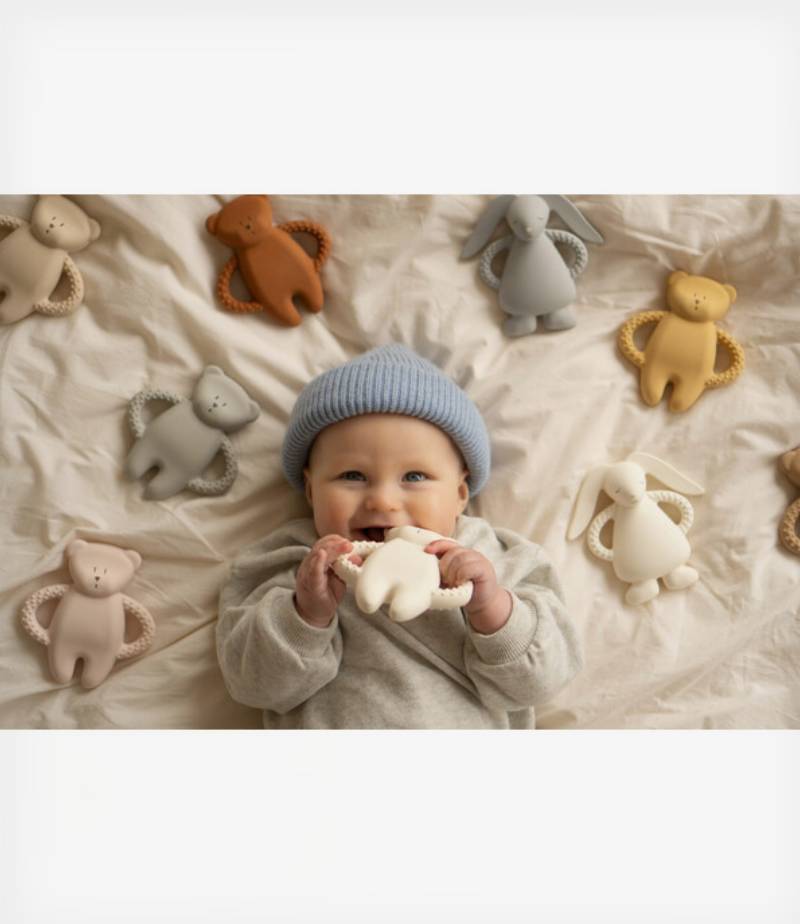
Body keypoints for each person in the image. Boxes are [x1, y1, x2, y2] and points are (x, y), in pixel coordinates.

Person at [216, 344, 582, 728]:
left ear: (460, 494)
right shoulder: (292, 562)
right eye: (352, 476)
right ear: (311, 491)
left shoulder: (500, 558)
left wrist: (492, 609)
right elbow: (252, 686)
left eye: (415, 476)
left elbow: (544, 683)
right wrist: (305, 615)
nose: (383, 501)